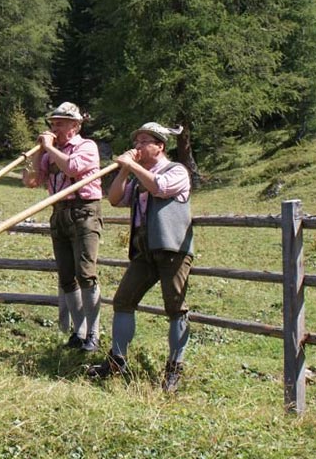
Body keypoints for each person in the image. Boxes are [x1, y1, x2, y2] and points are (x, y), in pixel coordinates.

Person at [87, 122, 193, 393]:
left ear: (160, 146)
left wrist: (132, 167)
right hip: (144, 251)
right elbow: (113, 198)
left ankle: (174, 368)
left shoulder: (177, 171)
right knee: (123, 300)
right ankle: (117, 360)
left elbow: (159, 187)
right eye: (136, 141)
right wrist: (124, 169)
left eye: (144, 141)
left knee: (175, 308)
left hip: (172, 250)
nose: (137, 146)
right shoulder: (136, 178)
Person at [22, 102, 103, 352]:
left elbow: (72, 167)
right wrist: (38, 153)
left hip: (83, 211)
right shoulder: (48, 152)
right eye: (52, 123)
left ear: (75, 126)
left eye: (60, 123)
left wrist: (48, 147)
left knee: (85, 273)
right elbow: (31, 181)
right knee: (67, 276)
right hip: (59, 213)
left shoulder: (86, 146)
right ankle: (78, 333)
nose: (54, 127)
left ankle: (94, 333)